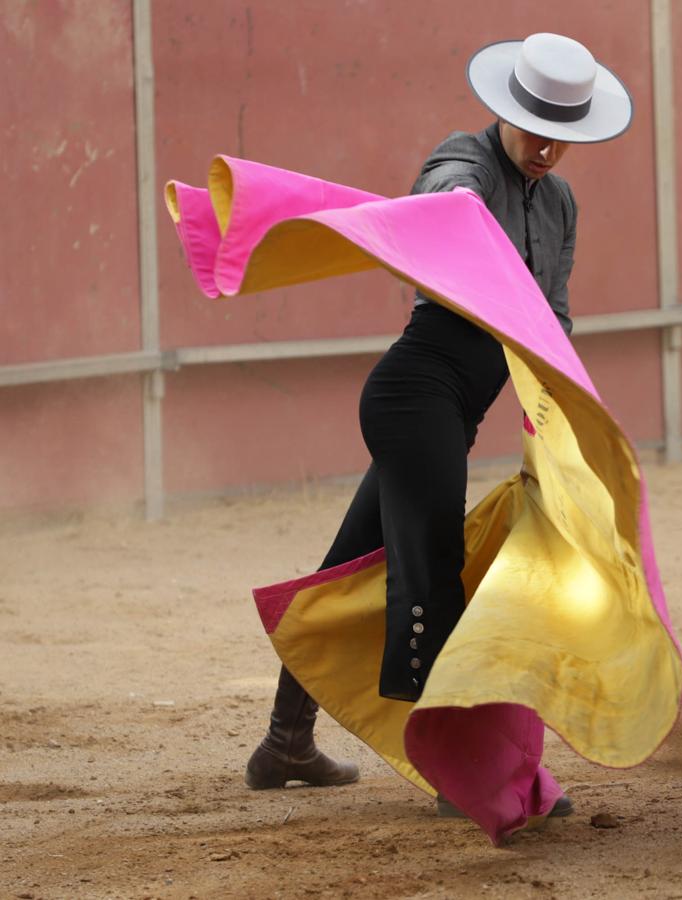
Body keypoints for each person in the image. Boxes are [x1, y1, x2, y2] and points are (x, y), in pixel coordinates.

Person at [242, 33, 634, 818]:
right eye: (537, 131)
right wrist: (453, 209)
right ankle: (471, 769)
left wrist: (568, 423)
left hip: (451, 412)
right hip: (413, 396)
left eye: (565, 137)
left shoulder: (559, 203)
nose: (549, 151)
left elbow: (549, 320)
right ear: (507, 112)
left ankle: (286, 740)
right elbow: (438, 198)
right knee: (435, 578)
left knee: (350, 566)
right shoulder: (464, 161)